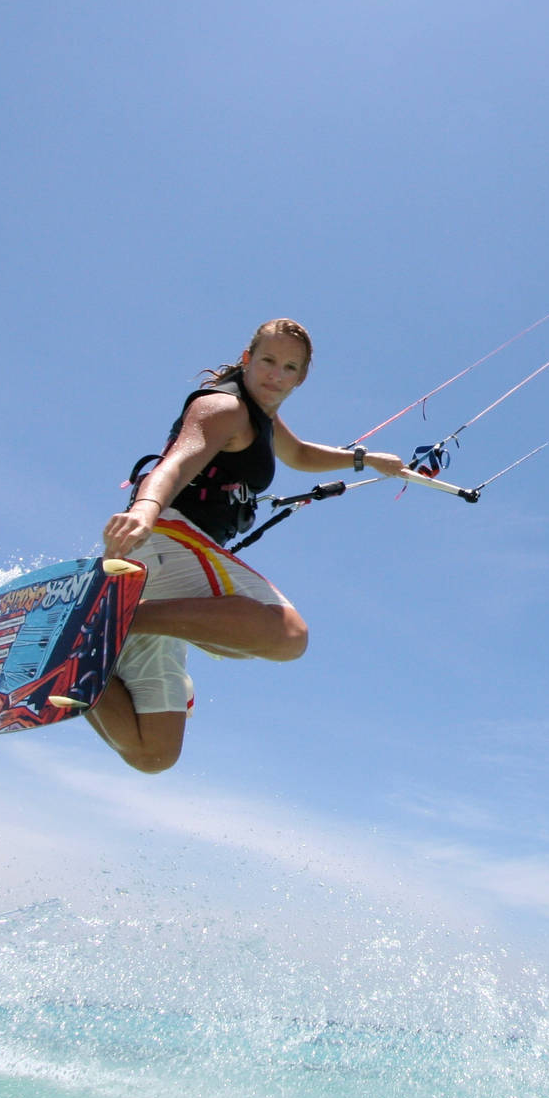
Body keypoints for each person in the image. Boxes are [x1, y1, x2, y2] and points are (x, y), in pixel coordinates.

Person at [88, 319, 407, 773]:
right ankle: (104, 622)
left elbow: (299, 455)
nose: (275, 375)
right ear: (246, 360)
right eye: (268, 362)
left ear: (301, 378)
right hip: (164, 535)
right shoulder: (225, 407)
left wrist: (366, 458)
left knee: (153, 753)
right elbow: (176, 462)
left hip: (159, 569)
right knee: (287, 635)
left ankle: (82, 668)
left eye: (288, 368)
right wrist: (144, 508)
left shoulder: (264, 417)